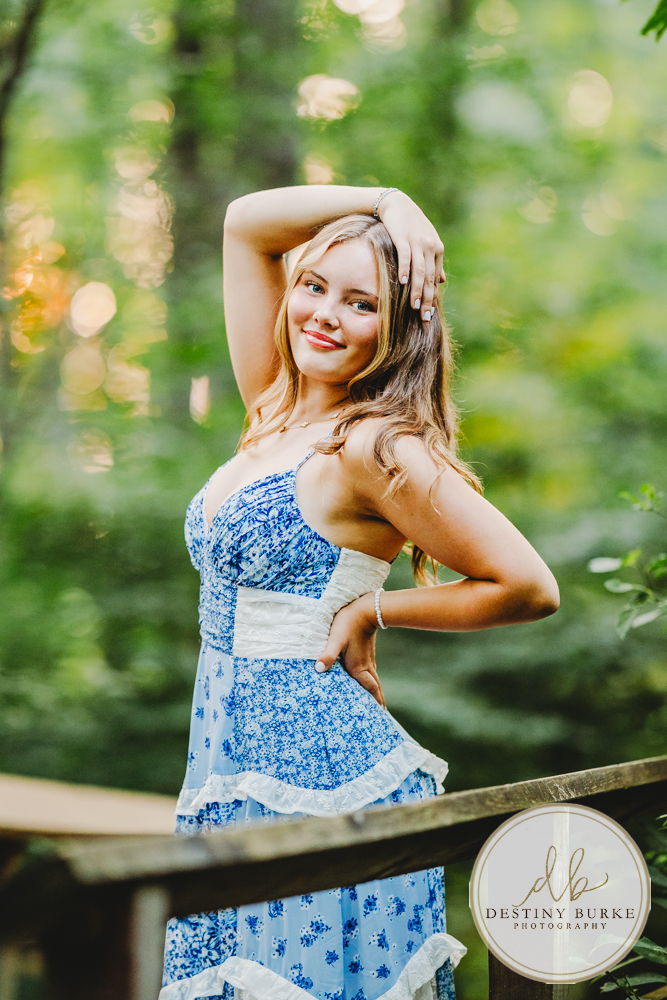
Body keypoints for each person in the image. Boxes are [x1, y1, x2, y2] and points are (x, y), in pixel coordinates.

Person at [160, 186, 560, 1000]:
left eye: (361, 304)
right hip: (225, 765)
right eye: (314, 286)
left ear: (400, 327)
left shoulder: (374, 446)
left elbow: (526, 585)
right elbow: (243, 222)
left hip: (320, 774)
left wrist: (372, 607)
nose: (324, 315)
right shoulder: (271, 402)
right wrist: (388, 202)